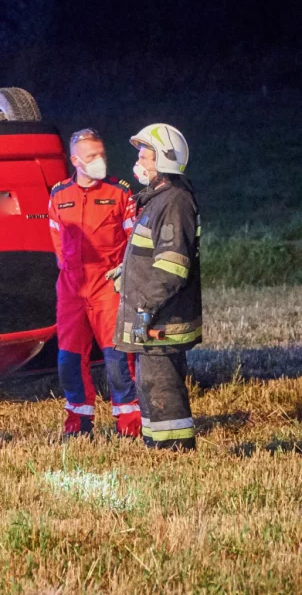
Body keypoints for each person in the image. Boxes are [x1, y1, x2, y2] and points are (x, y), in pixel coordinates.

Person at [114, 124, 202, 451]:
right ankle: (158, 450)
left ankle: (174, 454)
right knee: (150, 384)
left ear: (164, 160)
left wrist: (144, 308)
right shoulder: (157, 200)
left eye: (144, 156)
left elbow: (172, 267)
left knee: (162, 385)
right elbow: (151, 254)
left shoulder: (174, 202)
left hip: (160, 318)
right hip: (151, 315)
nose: (139, 163)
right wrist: (126, 272)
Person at [48, 128, 140, 438]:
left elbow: (134, 241)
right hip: (72, 289)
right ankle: (78, 424)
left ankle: (129, 424)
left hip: (108, 287)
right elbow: (58, 242)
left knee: (117, 360)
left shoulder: (120, 192)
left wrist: (123, 276)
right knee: (69, 360)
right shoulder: (59, 194)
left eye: (101, 154)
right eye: (91, 156)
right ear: (75, 160)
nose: (99, 160)